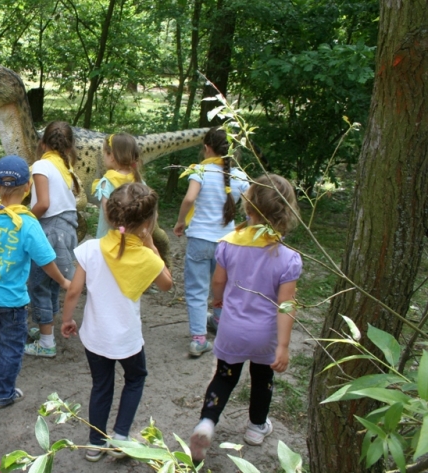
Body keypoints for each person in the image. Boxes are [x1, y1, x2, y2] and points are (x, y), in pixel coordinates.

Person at [188, 174, 301, 462]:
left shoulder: (228, 244)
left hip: (231, 328)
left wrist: (219, 300)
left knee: (224, 377)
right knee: (262, 378)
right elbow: (286, 304)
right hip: (265, 335)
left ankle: (207, 421)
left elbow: (218, 281)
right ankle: (255, 427)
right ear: (285, 212)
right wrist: (283, 346)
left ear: (247, 207)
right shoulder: (288, 257)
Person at [61, 183, 173, 462]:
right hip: (127, 339)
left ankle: (95, 443)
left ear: (109, 216)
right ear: (148, 222)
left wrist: (67, 320)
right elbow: (167, 285)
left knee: (102, 385)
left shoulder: (90, 249)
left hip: (95, 336)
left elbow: (74, 291)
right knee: (136, 377)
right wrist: (150, 245)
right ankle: (121, 435)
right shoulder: (147, 257)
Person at [0, 155, 71, 409]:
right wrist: (64, 281)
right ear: (28, 187)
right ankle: (3, 393)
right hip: (11, 299)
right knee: (12, 344)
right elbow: (46, 259)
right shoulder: (27, 222)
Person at [173, 127, 249, 357]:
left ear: (206, 148)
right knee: (223, 286)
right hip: (226, 243)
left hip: (199, 240)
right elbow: (254, 209)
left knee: (197, 290)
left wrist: (180, 223)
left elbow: (189, 198)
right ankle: (219, 322)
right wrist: (241, 228)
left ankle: (198, 339)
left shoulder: (200, 171)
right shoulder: (240, 177)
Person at [25, 121, 79, 358]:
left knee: (39, 283)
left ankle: (46, 343)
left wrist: (22, 218)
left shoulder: (41, 165)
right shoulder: (66, 168)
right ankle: (44, 328)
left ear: (43, 143)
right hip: (67, 230)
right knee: (52, 284)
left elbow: (43, 204)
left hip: (50, 230)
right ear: (69, 147)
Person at [92, 132, 143, 238]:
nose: (103, 157)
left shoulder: (107, 182)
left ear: (112, 156)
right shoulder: (139, 180)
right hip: (134, 239)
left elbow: (108, 216)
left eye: (105, 153)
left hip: (109, 242)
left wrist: (122, 231)